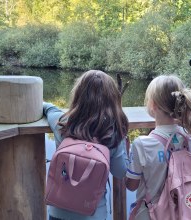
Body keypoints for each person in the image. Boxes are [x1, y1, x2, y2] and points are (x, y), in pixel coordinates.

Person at [43, 70, 129, 220]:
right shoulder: (113, 131)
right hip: (93, 213)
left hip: (58, 212)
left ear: (78, 95)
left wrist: (43, 103)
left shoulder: (63, 123)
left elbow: (49, 109)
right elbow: (120, 172)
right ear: (111, 99)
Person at [125, 75, 191, 219]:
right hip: (179, 212)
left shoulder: (142, 144)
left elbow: (131, 185)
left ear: (152, 105)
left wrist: (124, 160)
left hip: (150, 214)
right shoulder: (188, 138)